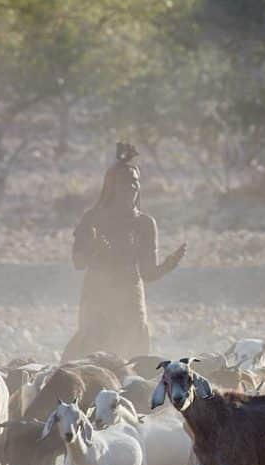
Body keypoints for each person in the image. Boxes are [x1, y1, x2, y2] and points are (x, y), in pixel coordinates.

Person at [62, 143, 185, 361]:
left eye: (135, 183)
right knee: (92, 347)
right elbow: (78, 262)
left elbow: (148, 273)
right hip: (98, 290)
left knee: (133, 348)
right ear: (111, 187)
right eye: (125, 183)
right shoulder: (93, 218)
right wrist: (95, 250)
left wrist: (168, 265)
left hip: (130, 293)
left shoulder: (145, 223)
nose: (131, 187)